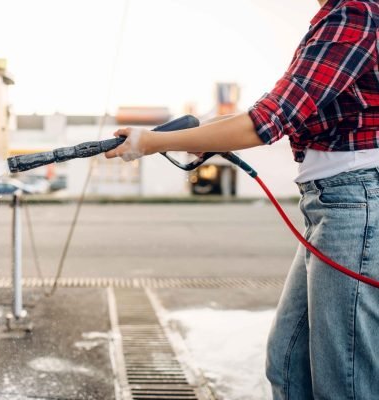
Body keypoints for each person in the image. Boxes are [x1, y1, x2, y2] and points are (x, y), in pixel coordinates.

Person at [105, 0, 379, 398]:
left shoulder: (355, 14)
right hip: (332, 205)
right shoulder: (332, 19)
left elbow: (266, 120)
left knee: (344, 381)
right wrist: (184, 134)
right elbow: (268, 110)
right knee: (287, 363)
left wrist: (153, 143)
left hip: (354, 205)